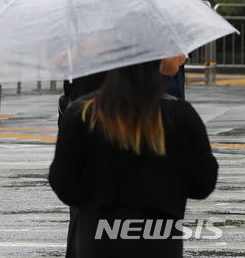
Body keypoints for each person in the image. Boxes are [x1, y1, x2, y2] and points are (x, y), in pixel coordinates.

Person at [49, 60, 218, 257]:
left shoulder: (83, 115)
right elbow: (203, 183)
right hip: (159, 238)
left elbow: (63, 182)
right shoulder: (181, 115)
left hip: (98, 237)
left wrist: (93, 200)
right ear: (158, 64)